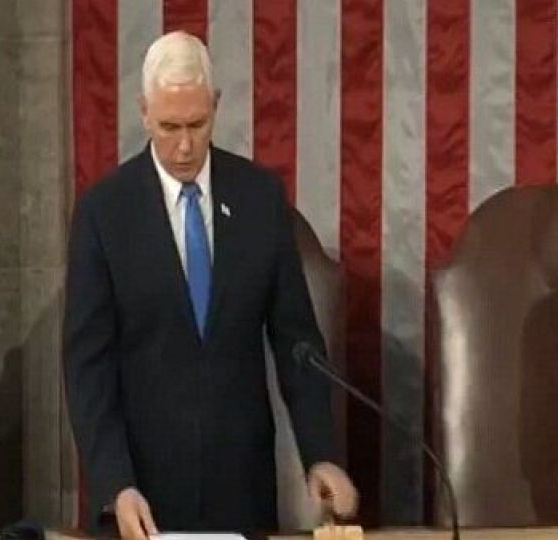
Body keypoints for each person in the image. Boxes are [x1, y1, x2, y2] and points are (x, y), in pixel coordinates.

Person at [63, 31, 357, 538]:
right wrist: (115, 484)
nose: (184, 145)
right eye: (169, 126)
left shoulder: (260, 198)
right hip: (141, 497)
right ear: (144, 113)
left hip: (240, 493)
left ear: (216, 106)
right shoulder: (103, 213)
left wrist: (321, 454)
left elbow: (298, 343)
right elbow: (87, 367)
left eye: (197, 125)